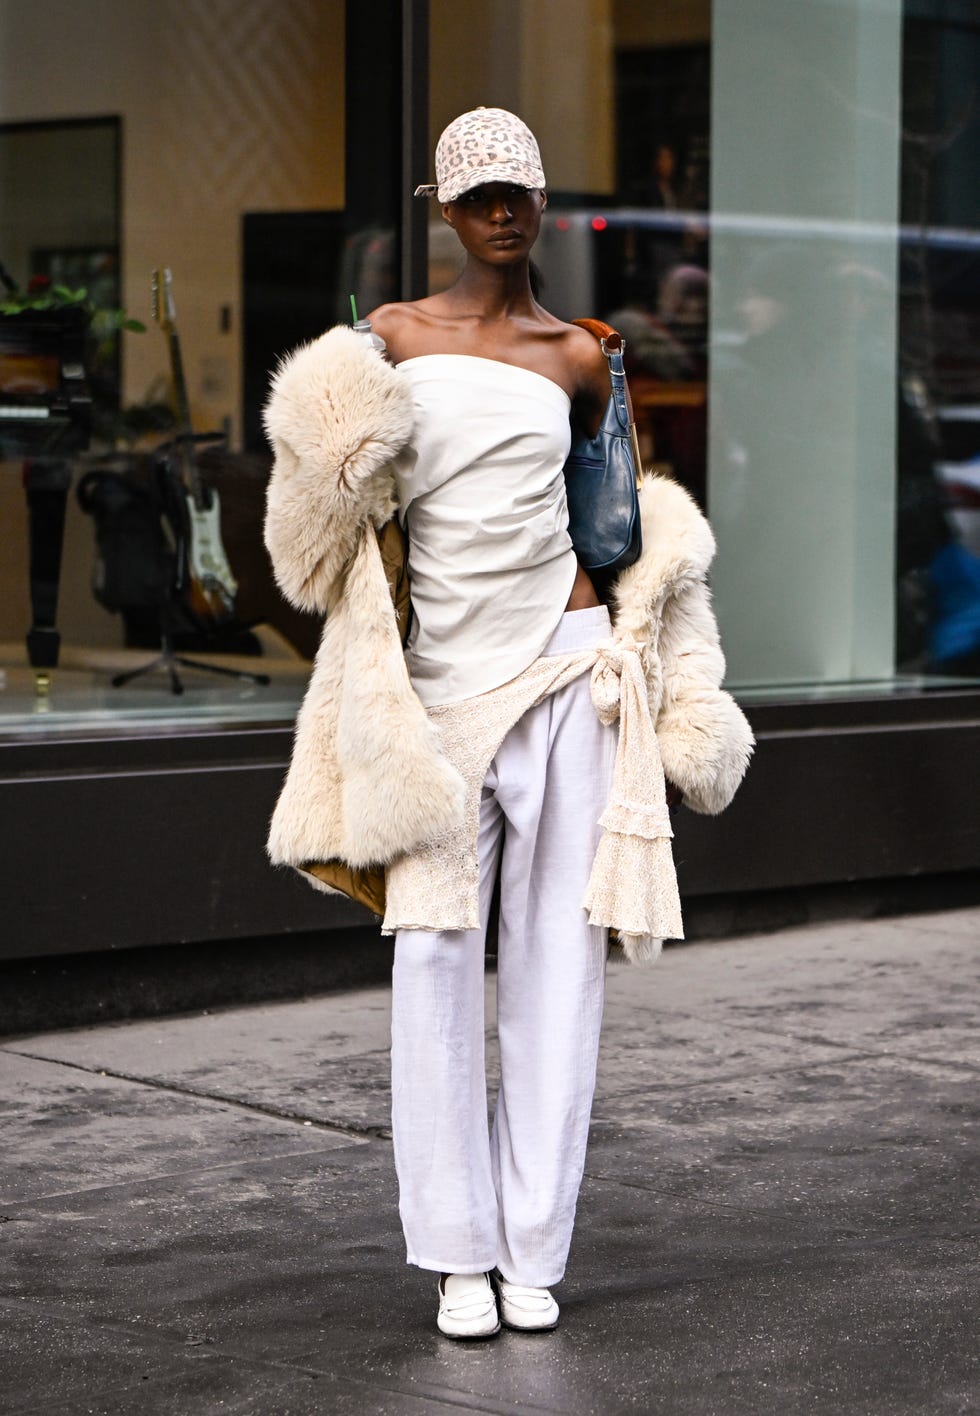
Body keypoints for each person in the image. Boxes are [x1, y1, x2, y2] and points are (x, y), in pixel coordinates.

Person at [262, 107, 753, 1341]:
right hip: (431, 692)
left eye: (518, 191)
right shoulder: (383, 341)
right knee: (430, 959)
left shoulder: (581, 353)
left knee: (554, 966)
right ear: (442, 207)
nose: (500, 212)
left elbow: (611, 523)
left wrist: (644, 648)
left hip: (561, 668)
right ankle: (455, 1254)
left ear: (539, 202)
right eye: (476, 193)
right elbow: (313, 541)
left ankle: (534, 1246)